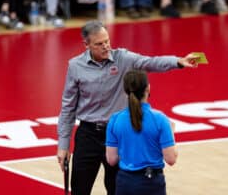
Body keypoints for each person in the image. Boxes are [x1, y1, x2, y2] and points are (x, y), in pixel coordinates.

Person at [57, 20, 199, 195]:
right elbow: (68, 107)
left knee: (116, 189)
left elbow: (150, 62)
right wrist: (63, 145)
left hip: (117, 133)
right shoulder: (75, 66)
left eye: (107, 41)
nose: (106, 47)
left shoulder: (122, 58)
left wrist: (178, 62)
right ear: (86, 45)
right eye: (99, 44)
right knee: (79, 188)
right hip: (88, 135)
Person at [106, 70, 178, 195]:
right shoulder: (160, 119)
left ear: (126, 91)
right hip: (151, 184)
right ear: (148, 88)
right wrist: (171, 132)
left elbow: (111, 159)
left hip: (125, 183)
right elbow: (171, 159)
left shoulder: (115, 119)